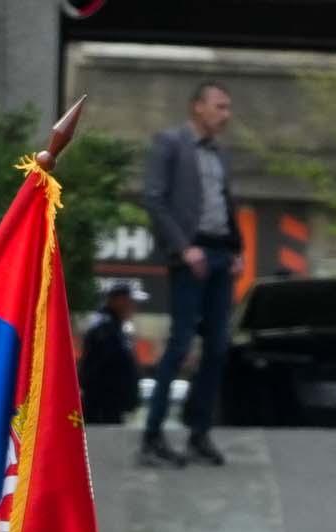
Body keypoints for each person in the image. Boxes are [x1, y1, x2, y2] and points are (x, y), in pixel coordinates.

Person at [135, 80, 242, 470]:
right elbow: (154, 198)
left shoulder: (220, 155)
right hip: (189, 255)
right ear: (198, 107)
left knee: (217, 346)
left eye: (228, 108)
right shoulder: (170, 144)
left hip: (219, 253)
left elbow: (225, 205)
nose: (226, 115)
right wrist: (183, 248)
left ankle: (198, 432)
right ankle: (152, 435)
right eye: (220, 106)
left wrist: (236, 250)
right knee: (180, 344)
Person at [78, 285, 146, 430]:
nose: (133, 307)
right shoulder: (104, 330)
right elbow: (101, 370)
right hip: (101, 411)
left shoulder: (117, 329)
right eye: (130, 302)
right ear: (118, 301)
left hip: (112, 409)